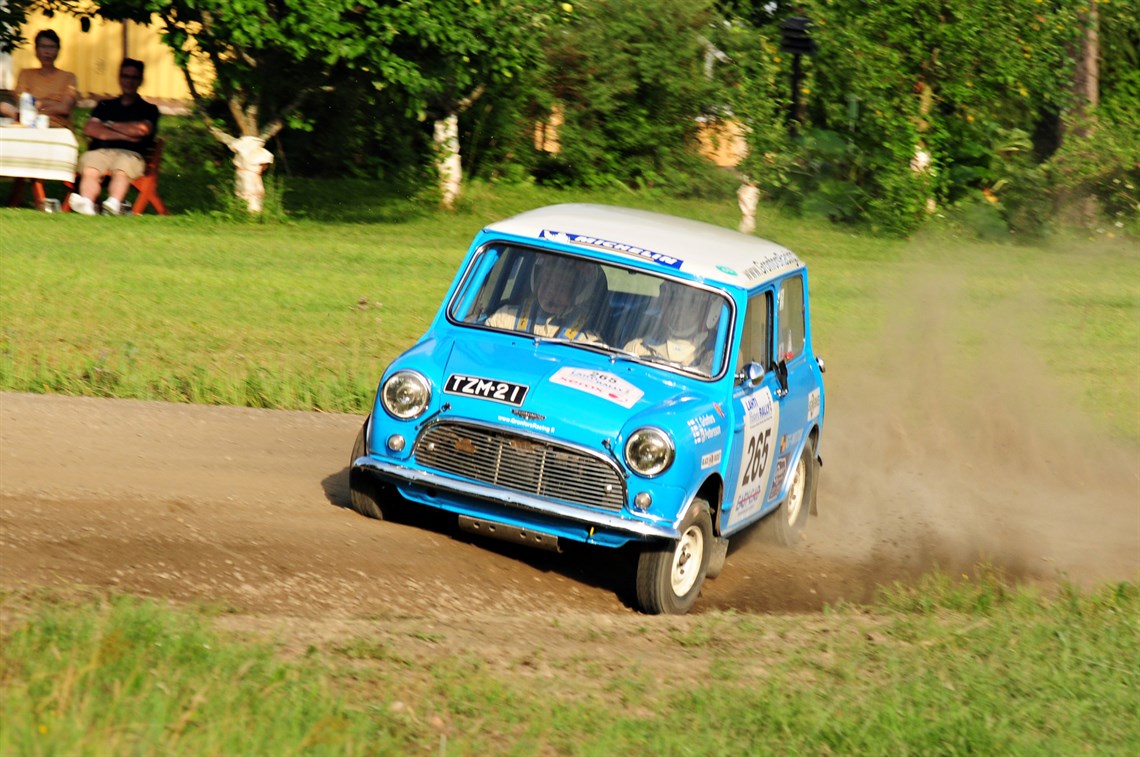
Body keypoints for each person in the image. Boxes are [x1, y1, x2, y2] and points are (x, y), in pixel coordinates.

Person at [68, 58, 159, 216]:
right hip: (101, 152)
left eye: (133, 77)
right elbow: (90, 129)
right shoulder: (105, 105)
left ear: (140, 80)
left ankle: (114, 203)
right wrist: (127, 134)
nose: (128, 81)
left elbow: (142, 130)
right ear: (119, 78)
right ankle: (87, 204)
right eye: (125, 76)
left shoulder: (148, 109)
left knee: (121, 169)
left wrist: (108, 125)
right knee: (90, 166)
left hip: (132, 155)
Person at [487, 255, 604, 342]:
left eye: (561, 286)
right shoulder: (505, 318)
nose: (551, 292)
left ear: (579, 295)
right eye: (546, 281)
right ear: (536, 281)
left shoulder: (587, 340)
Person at [624, 280, 717, 373]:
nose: (678, 310)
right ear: (664, 305)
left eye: (691, 303)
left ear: (707, 311)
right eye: (673, 300)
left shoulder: (714, 360)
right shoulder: (637, 348)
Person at [8, 30, 78, 128]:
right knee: (4, 106)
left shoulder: (68, 77)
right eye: (43, 47)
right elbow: (24, 103)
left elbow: (64, 108)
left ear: (58, 50)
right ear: (36, 50)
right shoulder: (26, 74)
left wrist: (38, 106)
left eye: (51, 47)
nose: (47, 52)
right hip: (29, 125)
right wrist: (53, 103)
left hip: (56, 126)